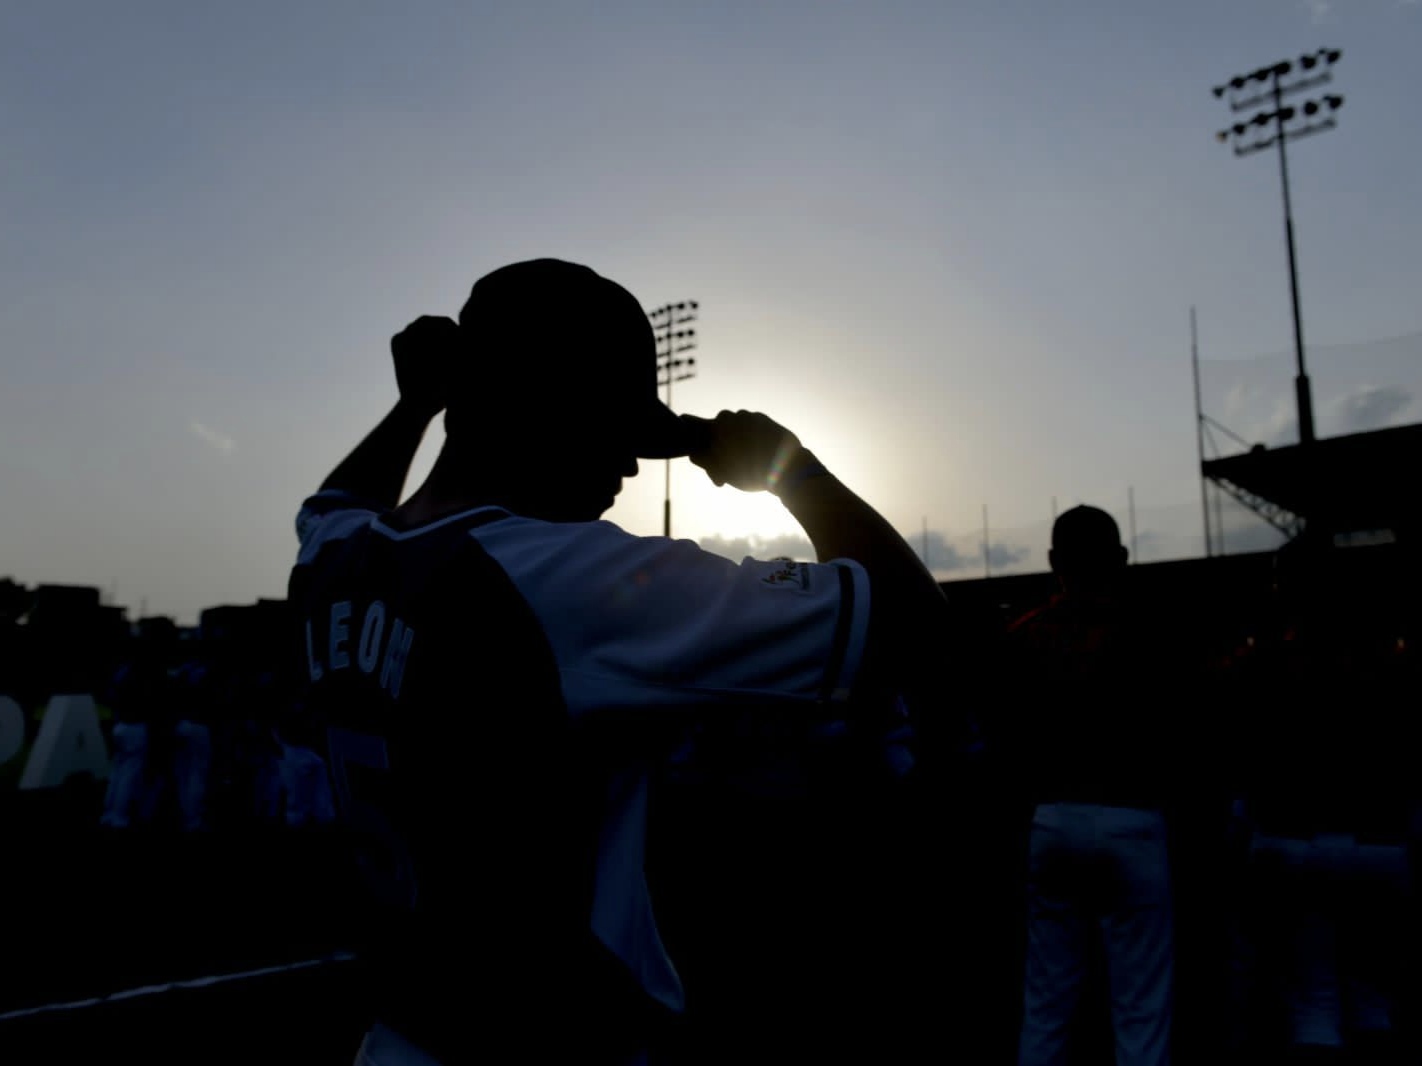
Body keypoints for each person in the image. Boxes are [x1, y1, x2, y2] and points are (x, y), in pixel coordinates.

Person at [287, 258, 953, 1064]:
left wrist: (417, 403)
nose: (631, 463)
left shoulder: (337, 558)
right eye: (615, 425)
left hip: (400, 1032)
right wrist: (791, 467)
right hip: (549, 1037)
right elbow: (917, 625)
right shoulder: (560, 576)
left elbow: (332, 503)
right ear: (552, 406)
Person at [1004, 505, 1178, 1066]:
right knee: (1140, 1013)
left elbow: (1004, 746)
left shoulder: (1022, 638)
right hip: (1136, 819)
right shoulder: (1157, 635)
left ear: (1053, 562)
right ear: (1122, 559)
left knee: (1046, 1007)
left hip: (1051, 819)